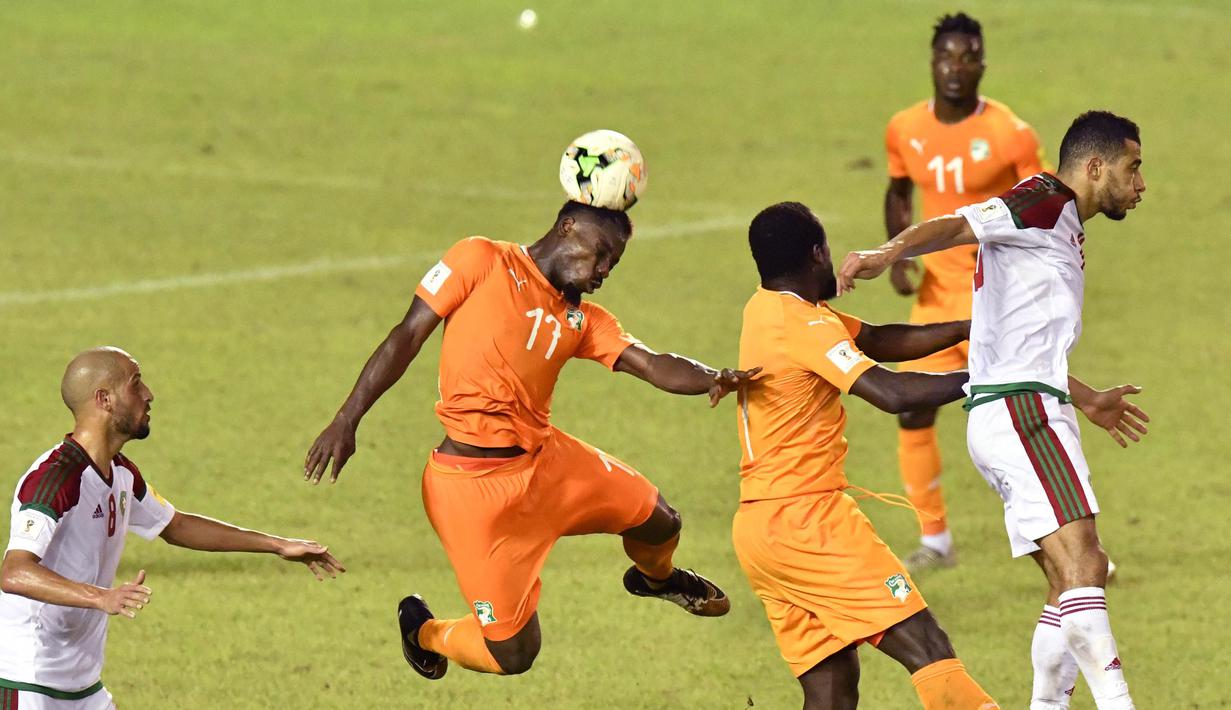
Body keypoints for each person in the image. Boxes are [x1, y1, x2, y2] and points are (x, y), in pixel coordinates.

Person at [304, 200, 756, 680]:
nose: (604, 270)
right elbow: (407, 335)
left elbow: (650, 362)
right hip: (473, 496)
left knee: (661, 523)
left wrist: (713, 376)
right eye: (600, 254)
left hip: (547, 465)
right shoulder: (479, 260)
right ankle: (424, 632)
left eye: (613, 263)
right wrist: (347, 419)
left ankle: (656, 580)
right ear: (568, 227)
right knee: (514, 655)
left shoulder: (583, 320)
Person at [838, 111, 1149, 710]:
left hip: (1016, 405)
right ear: (1095, 166)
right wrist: (888, 252)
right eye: (1133, 168)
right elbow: (957, 225)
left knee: (1069, 584)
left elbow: (1023, 338)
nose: (1140, 185)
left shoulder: (1060, 222)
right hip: (1022, 413)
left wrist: (1087, 398)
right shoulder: (1042, 198)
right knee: (1086, 566)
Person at [733, 202, 998, 709]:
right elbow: (892, 394)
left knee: (832, 689)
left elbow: (878, 339)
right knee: (928, 648)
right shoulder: (803, 326)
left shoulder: (767, 309)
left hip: (761, 531)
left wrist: (972, 327)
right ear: (818, 253)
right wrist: (987, 380)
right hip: (810, 523)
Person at [1, 347, 344, 709]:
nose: (148, 393)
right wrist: (100, 596)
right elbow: (14, 572)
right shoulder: (56, 478)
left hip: (83, 687)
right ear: (104, 399)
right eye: (136, 383)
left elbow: (175, 524)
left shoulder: (120, 473)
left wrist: (277, 544)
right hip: (28, 684)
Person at [883, 11, 1046, 571]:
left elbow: (1045, 206)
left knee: (1025, 421)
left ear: (983, 63)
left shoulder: (1009, 133)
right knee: (912, 415)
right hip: (934, 301)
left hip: (997, 304)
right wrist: (898, 252)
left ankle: (1068, 536)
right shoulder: (905, 127)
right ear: (932, 62)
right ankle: (935, 540)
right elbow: (897, 190)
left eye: (968, 56)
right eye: (946, 56)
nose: (956, 68)